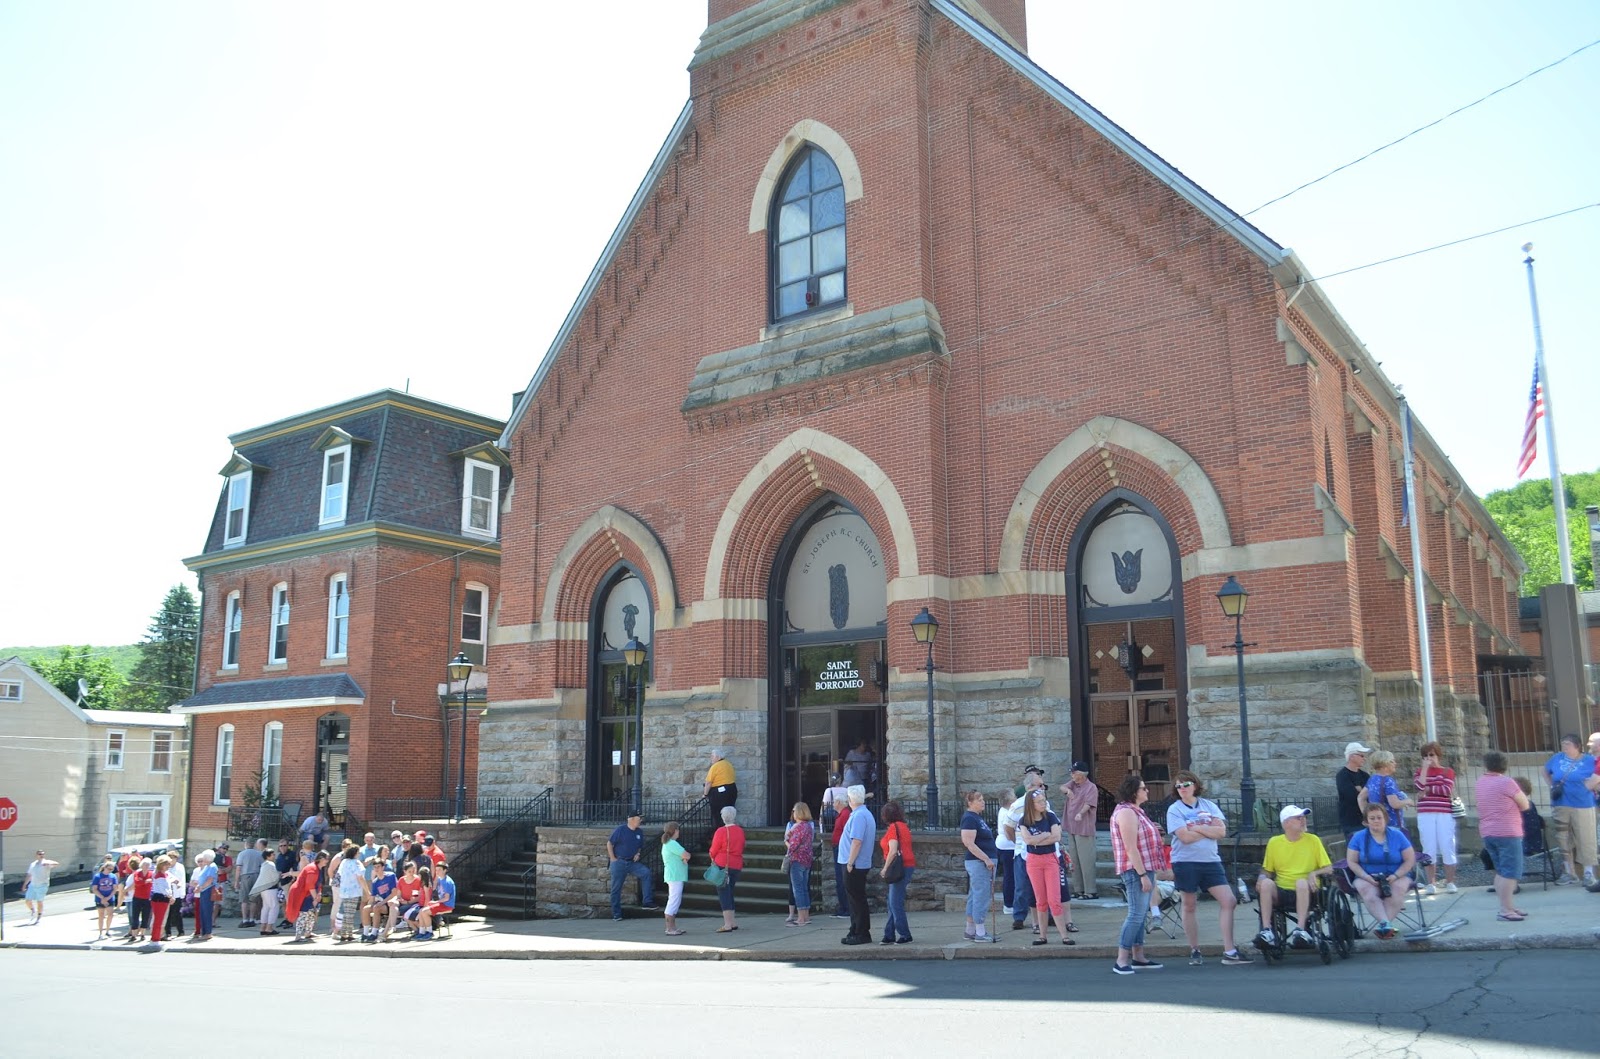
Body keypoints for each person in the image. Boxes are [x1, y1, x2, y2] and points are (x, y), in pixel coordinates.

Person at [1166, 770, 1250, 965]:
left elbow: (1221, 831)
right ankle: (1194, 949)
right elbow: (1184, 838)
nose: (1182, 789)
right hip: (1185, 862)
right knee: (1189, 904)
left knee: (1229, 900)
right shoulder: (1175, 809)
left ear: (1194, 785)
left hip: (1210, 861)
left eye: (1185, 785)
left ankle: (1230, 950)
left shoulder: (1208, 805)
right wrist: (1207, 831)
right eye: (1178, 786)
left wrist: (1196, 828)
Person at [1254, 804, 1333, 951]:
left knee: (1301, 883)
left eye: (1303, 817)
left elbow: (1329, 868)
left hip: (1308, 890)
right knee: (1266, 884)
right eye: (1298, 818)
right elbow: (1267, 870)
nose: (1303, 820)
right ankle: (1267, 931)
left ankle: (1300, 930)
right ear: (1286, 823)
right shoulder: (1274, 842)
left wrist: (1313, 873)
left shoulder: (1313, 840)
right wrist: (1261, 878)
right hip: (1282, 890)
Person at [1109, 773, 1164, 974]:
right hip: (1135, 870)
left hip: (1145, 867)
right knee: (1135, 914)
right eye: (1143, 788)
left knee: (1140, 915)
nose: (1147, 791)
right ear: (1134, 792)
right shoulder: (1126, 813)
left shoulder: (1136, 811)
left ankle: (1138, 956)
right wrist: (1142, 874)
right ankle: (1122, 959)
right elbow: (1130, 847)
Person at [1476, 750, 1532, 921]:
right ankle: (1505, 910)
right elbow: (1525, 805)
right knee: (1510, 873)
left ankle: (1508, 906)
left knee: (1500, 871)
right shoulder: (1507, 783)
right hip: (1508, 832)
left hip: (1488, 831)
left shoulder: (1480, 782)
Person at [1347, 803, 1415, 939]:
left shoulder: (1397, 835)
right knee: (1367, 891)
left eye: (1379, 817)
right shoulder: (1358, 837)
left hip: (1397, 874)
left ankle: (1384, 926)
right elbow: (1352, 862)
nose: (1376, 821)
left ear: (1385, 819)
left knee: (1397, 890)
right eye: (1372, 818)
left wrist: (1396, 876)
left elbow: (1410, 859)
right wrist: (1366, 877)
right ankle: (1386, 925)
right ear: (1366, 822)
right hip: (1367, 875)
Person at [1019, 788, 1074, 946]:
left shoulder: (1050, 817)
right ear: (1032, 804)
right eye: (1040, 802)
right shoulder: (1024, 820)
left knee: (1054, 899)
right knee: (1040, 899)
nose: (1044, 804)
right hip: (1033, 861)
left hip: (1050, 859)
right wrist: (1044, 835)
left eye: (1044, 800)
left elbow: (1056, 837)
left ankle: (1064, 935)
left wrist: (1038, 838)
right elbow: (1027, 840)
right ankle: (1043, 936)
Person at [1544, 733, 1599, 886]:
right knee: (1563, 838)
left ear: (1577, 746)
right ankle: (1569, 872)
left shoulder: (1590, 760)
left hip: (1583, 804)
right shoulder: (1557, 758)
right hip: (1560, 803)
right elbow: (1545, 771)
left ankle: (1588, 873)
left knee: (1586, 838)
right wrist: (1552, 786)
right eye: (1563, 744)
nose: (1564, 747)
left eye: (1567, 744)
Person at [1005, 766, 1048, 932]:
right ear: (1030, 787)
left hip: (1043, 850)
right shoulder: (1017, 805)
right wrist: (1018, 841)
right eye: (1039, 785)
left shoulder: (1044, 803)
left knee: (1044, 886)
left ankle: (1046, 915)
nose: (1042, 788)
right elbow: (1008, 826)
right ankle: (1019, 916)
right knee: (1022, 885)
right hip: (1023, 853)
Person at [1413, 741, 1458, 894]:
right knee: (1428, 846)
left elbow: (1446, 789)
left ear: (1438, 755)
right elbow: (1418, 787)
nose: (1428, 758)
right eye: (1425, 755)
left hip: (1444, 813)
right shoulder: (1420, 771)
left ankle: (1450, 882)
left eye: (1431, 755)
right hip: (1425, 813)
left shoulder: (1447, 771)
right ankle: (1431, 883)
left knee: (1447, 845)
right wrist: (1425, 770)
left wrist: (1428, 789)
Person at [958, 790, 1000, 942]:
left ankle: (970, 930)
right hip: (979, 863)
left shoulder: (976, 818)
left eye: (983, 799)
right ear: (970, 802)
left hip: (982, 861)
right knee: (981, 896)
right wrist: (986, 859)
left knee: (974, 895)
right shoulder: (969, 818)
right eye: (979, 800)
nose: (983, 802)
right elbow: (968, 842)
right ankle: (980, 932)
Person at [839, 785, 875, 945]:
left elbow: (857, 841)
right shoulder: (862, 814)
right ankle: (855, 929)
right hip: (856, 864)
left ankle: (861, 932)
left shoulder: (859, 816)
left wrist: (850, 862)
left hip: (854, 864)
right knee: (855, 899)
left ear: (851, 799)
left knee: (856, 899)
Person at [607, 810, 656, 921]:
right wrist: (613, 858)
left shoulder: (639, 832)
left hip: (632, 862)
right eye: (639, 818)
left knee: (646, 873)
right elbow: (610, 843)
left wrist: (638, 853)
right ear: (631, 819)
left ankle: (647, 902)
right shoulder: (621, 830)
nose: (641, 821)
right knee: (616, 889)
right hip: (619, 862)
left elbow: (639, 846)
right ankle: (616, 914)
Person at [878, 800, 915, 944]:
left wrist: (885, 868)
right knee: (892, 901)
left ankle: (904, 934)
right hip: (907, 865)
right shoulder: (904, 827)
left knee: (894, 902)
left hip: (899, 867)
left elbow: (893, 851)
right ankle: (889, 934)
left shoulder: (893, 828)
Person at [1061, 761, 1099, 899]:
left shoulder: (1091, 787)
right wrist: (1068, 791)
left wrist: (1080, 814)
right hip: (1071, 827)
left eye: (1074, 772)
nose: (1071, 775)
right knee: (1074, 861)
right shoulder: (1073, 784)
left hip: (1084, 828)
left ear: (1081, 774)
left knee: (1086, 860)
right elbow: (1062, 787)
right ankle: (1079, 890)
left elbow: (1089, 804)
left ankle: (1090, 891)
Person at [709, 805, 745, 933]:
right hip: (736, 864)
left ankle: (728, 924)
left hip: (723, 864)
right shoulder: (740, 831)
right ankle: (732, 922)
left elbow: (714, 849)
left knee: (724, 893)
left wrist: (712, 856)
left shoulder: (721, 831)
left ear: (723, 817)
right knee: (729, 892)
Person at [287, 850, 330, 941]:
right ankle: (298, 936)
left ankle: (308, 933)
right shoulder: (312, 869)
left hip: (309, 893)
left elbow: (317, 885)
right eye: (326, 859)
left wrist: (318, 895)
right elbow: (310, 885)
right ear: (321, 859)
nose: (327, 861)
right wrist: (315, 898)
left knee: (311, 913)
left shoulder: (318, 868)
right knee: (303, 914)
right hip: (302, 893)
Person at [784, 801, 815, 927]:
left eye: (794, 810)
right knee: (804, 888)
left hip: (797, 860)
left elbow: (792, 846)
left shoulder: (797, 827)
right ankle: (806, 916)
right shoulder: (808, 826)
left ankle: (801, 918)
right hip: (807, 859)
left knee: (798, 889)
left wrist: (786, 839)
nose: (793, 813)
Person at [1364, 750, 1409, 834]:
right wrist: (1408, 801)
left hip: (1377, 825)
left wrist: (1368, 816)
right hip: (1392, 825)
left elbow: (1360, 797)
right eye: (1392, 761)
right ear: (1385, 763)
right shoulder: (1388, 781)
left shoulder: (1372, 779)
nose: (1395, 763)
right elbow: (1395, 804)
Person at [1335, 741, 1372, 839]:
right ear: (1352, 757)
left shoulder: (1365, 775)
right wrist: (1362, 792)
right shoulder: (1342, 776)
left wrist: (1360, 790)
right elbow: (1352, 796)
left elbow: (1370, 795)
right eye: (1361, 755)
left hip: (1367, 820)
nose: (1364, 758)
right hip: (1351, 822)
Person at [660, 821, 691, 936]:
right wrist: (684, 858)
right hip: (675, 875)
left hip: (675, 875)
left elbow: (683, 856)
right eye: (678, 830)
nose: (679, 832)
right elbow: (687, 855)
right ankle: (669, 928)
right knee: (673, 900)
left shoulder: (669, 843)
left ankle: (672, 927)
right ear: (675, 831)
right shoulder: (672, 843)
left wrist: (683, 858)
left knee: (675, 900)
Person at [333, 846, 369, 942]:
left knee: (346, 912)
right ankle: (348, 934)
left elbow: (340, 874)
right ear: (355, 853)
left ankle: (345, 933)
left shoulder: (344, 862)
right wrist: (367, 890)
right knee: (350, 913)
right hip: (353, 891)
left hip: (344, 890)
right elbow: (360, 877)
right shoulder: (357, 863)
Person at [362, 855, 398, 942]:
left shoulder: (391, 876)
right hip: (380, 903)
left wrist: (382, 903)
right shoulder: (375, 882)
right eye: (375, 867)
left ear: (383, 867)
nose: (377, 869)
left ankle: (374, 932)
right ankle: (365, 933)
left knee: (376, 907)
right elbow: (373, 897)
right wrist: (369, 904)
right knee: (365, 909)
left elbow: (394, 893)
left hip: (390, 903)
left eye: (378, 867)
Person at [415, 862, 454, 940]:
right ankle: (422, 932)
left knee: (424, 911)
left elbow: (446, 898)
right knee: (421, 910)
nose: (437, 872)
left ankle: (429, 932)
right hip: (441, 903)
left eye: (439, 870)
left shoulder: (447, 882)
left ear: (445, 870)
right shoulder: (440, 879)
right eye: (436, 870)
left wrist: (435, 902)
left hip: (447, 905)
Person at [829, 793, 852, 919]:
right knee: (839, 880)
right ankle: (843, 907)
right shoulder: (842, 815)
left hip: (841, 849)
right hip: (838, 847)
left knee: (841, 879)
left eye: (834, 802)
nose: (833, 804)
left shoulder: (845, 814)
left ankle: (846, 908)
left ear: (839, 803)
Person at [22, 851, 60, 924]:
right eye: (40, 854)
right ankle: (33, 910)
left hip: (43, 885)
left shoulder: (46, 862)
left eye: (42, 854)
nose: (41, 855)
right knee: (27, 900)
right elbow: (29, 875)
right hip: (33, 884)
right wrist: (24, 885)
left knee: (39, 901)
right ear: (36, 855)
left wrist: (49, 864)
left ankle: (39, 917)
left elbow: (56, 863)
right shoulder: (33, 864)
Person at [237, 838, 267, 927]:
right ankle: (252, 919)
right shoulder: (259, 854)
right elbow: (262, 866)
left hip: (245, 876)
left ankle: (245, 919)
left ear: (246, 844)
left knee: (244, 899)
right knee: (254, 900)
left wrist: (236, 881)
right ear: (253, 845)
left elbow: (238, 869)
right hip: (256, 876)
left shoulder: (242, 854)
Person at [251, 852, 284, 936]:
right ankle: (269, 928)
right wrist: (280, 874)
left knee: (265, 907)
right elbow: (275, 876)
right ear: (268, 856)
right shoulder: (271, 864)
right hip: (271, 888)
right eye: (272, 854)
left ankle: (263, 928)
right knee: (274, 907)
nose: (274, 856)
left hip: (264, 889)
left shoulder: (264, 865)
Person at [191, 849, 219, 941]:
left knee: (206, 912)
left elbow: (210, 880)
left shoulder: (212, 866)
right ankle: (204, 932)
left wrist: (201, 887)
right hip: (203, 891)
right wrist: (199, 886)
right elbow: (201, 878)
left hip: (208, 891)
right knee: (202, 912)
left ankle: (207, 932)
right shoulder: (207, 866)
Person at [91, 858, 121, 940]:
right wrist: (102, 898)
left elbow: (115, 888)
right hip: (99, 898)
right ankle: (100, 932)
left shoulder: (113, 876)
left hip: (110, 898)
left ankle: (107, 930)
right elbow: (94, 889)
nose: (110, 870)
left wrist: (108, 898)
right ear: (105, 867)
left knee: (110, 914)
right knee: (101, 915)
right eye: (109, 869)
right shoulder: (98, 876)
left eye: (112, 869)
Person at [125, 857, 154, 942]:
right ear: (141, 865)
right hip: (137, 897)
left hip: (147, 898)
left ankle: (143, 934)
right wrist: (145, 881)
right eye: (145, 864)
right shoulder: (137, 873)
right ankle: (134, 935)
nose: (146, 866)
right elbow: (137, 882)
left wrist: (145, 881)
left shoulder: (151, 874)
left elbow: (152, 882)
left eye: (148, 865)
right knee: (135, 916)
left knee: (145, 916)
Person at [395, 861, 426, 937]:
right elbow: (398, 894)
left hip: (414, 903)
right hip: (404, 902)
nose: (412, 873)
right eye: (409, 871)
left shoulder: (417, 880)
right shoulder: (401, 880)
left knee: (404, 912)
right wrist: (401, 899)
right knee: (397, 908)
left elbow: (419, 896)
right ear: (405, 871)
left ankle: (419, 930)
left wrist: (408, 902)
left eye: (413, 871)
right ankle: (417, 930)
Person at [704, 750, 738, 820]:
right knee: (729, 812)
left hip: (719, 793)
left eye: (712, 756)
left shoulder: (715, 766)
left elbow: (708, 782)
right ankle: (729, 826)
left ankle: (719, 829)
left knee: (718, 813)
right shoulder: (728, 764)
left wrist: (705, 794)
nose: (711, 758)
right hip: (732, 789)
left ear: (718, 757)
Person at [148, 855, 172, 944]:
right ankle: (155, 938)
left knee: (160, 919)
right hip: (160, 898)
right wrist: (170, 896)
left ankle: (156, 937)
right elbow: (163, 889)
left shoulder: (164, 874)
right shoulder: (159, 875)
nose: (168, 866)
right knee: (158, 919)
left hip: (163, 898)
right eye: (166, 864)